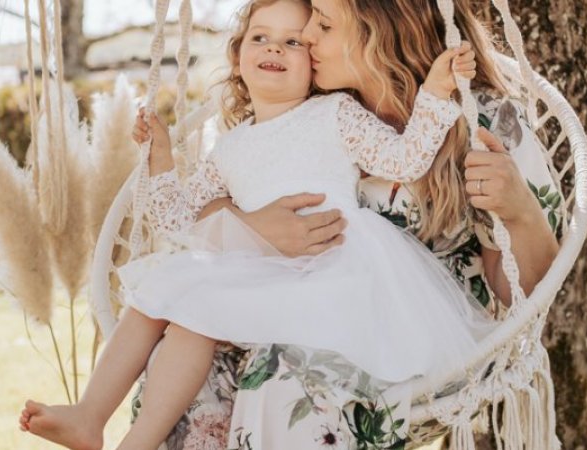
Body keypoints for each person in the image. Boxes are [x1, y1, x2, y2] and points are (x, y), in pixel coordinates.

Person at [17, 0, 492, 449]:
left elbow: (405, 159)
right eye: (261, 37)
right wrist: (160, 158)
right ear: (238, 55)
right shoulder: (228, 148)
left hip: (334, 265)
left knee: (194, 308)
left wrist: (436, 91)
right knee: (177, 309)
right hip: (259, 266)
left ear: (314, 66)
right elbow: (178, 219)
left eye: (292, 42)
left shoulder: (335, 114)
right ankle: (98, 420)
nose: (274, 49)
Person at [127, 0, 562, 448]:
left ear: (381, 29)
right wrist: (253, 226)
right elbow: (210, 205)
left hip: (406, 336)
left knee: (284, 374)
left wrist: (520, 211)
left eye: (324, 22)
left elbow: (523, 295)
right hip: (281, 300)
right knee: (181, 362)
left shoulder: (482, 118)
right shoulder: (310, 102)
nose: (308, 34)